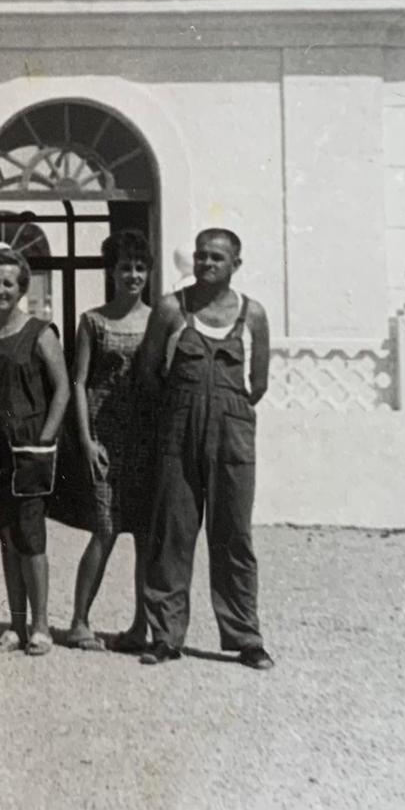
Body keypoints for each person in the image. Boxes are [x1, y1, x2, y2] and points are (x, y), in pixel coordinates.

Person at [137, 227, 275, 669]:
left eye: (217, 257)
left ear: (236, 263)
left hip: (232, 432)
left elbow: (259, 382)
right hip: (178, 430)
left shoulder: (252, 315)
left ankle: (245, 637)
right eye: (201, 256)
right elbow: (149, 371)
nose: (206, 264)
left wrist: (226, 410)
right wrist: (184, 405)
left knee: (234, 534)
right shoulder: (171, 310)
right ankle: (165, 635)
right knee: (172, 533)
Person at [0, 247, 70, 656]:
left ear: (22, 288)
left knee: (31, 536)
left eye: (8, 283)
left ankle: (41, 626)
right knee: (6, 537)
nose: (0, 289)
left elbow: (61, 387)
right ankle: (16, 626)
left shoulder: (40, 332)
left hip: (27, 447)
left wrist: (46, 437)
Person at [61, 229, 157, 653]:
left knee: (144, 532)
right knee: (105, 527)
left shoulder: (159, 320)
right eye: (125, 268)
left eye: (139, 268)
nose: (132, 275)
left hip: (145, 438)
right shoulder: (93, 321)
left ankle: (140, 625)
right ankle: (80, 621)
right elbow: (79, 382)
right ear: (111, 272)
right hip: (104, 436)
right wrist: (85, 439)